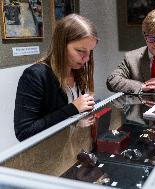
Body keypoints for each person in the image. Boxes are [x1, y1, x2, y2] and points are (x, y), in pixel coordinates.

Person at [14, 14, 98, 142]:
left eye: (90, 51)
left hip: (71, 149)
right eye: (80, 50)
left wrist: (78, 120)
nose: (86, 58)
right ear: (61, 45)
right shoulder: (35, 76)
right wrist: (73, 109)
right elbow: (24, 132)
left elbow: (65, 119)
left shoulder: (77, 71)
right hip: (48, 154)